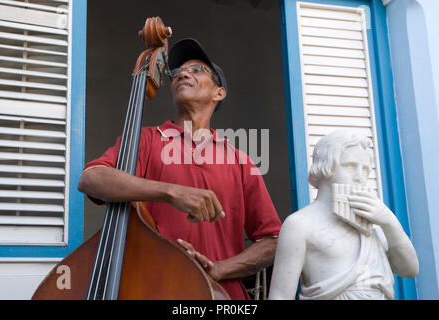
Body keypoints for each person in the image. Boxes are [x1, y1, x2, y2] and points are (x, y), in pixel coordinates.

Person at [78, 38, 282, 300]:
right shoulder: (146, 140)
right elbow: (91, 178)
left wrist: (220, 268)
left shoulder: (241, 160)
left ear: (218, 93)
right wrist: (172, 192)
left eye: (197, 70)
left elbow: (273, 241)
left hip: (221, 295)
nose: (183, 73)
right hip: (152, 291)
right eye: (177, 73)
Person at [268, 130, 418, 300]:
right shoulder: (300, 224)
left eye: (366, 169)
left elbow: (409, 269)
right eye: (350, 166)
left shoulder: (374, 221)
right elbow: (280, 295)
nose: (360, 177)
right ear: (324, 167)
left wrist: (390, 222)